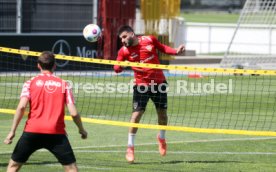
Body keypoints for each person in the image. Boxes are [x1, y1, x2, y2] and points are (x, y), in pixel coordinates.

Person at [4, 51, 88, 172]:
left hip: (32, 131)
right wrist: (81, 130)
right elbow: (74, 113)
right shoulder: (64, 84)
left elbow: (21, 107)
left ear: (38, 65)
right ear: (54, 65)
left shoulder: (29, 83)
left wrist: (12, 131)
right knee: (71, 169)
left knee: (13, 166)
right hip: (56, 133)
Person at [114, 25, 185, 163]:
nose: (122, 40)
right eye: (120, 38)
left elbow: (163, 48)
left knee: (162, 115)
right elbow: (116, 67)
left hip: (159, 84)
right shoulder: (124, 51)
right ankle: (130, 147)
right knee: (136, 115)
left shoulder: (149, 39)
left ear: (132, 34)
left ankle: (162, 138)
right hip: (141, 86)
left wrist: (176, 51)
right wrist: (119, 67)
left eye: (124, 37)